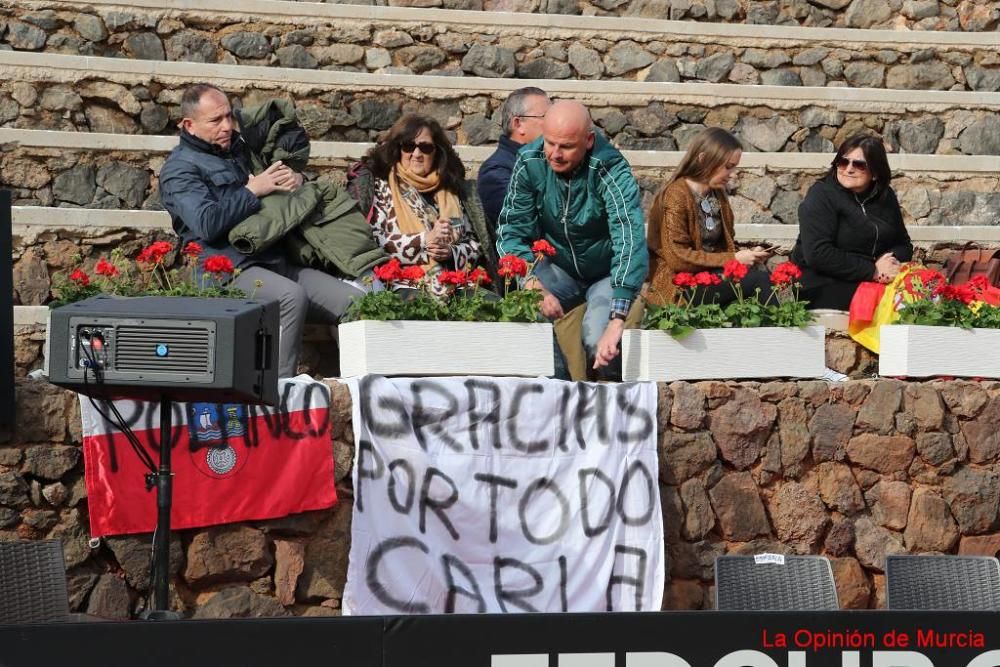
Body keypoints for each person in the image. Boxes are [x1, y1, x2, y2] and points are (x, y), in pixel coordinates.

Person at [159, 83, 365, 378]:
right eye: (215, 120)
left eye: (229, 117)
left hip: (276, 261)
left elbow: (282, 162)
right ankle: (279, 396)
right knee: (290, 297)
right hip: (228, 271)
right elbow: (206, 222)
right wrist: (252, 190)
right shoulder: (179, 169)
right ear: (189, 125)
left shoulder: (240, 148)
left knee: (357, 304)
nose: (227, 126)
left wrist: (294, 176)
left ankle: (363, 394)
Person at [496, 100, 648, 375]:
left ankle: (609, 393)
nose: (554, 154)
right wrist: (530, 282)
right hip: (559, 268)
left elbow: (629, 237)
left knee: (597, 342)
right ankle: (559, 391)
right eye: (549, 143)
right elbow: (511, 230)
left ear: (588, 140)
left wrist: (617, 321)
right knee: (528, 314)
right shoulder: (529, 160)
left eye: (566, 147)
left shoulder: (610, 168)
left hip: (605, 274)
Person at [347, 114, 493, 295]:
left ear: (436, 151)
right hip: (401, 282)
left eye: (425, 147)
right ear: (398, 149)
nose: (416, 154)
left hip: (456, 281)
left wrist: (450, 252)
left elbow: (475, 244)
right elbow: (374, 242)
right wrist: (425, 240)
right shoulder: (380, 186)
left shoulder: (452, 190)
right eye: (408, 146)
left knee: (491, 305)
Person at [646, 127, 771, 306]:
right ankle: (794, 324)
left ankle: (794, 318)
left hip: (712, 277)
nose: (733, 174)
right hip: (680, 285)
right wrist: (734, 259)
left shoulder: (718, 195)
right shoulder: (675, 195)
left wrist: (749, 254)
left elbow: (719, 248)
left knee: (776, 282)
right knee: (760, 281)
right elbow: (677, 258)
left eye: (734, 167)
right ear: (703, 159)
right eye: (728, 167)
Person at [791, 133, 913, 310]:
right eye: (843, 162)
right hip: (821, 282)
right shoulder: (822, 195)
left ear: (875, 173)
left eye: (859, 165)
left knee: (926, 292)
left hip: (873, 278)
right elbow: (818, 254)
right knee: (893, 303)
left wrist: (887, 264)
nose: (848, 169)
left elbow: (903, 244)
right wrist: (872, 270)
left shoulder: (885, 196)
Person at [477, 87, 551, 232]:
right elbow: (521, 220)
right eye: (547, 117)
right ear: (518, 124)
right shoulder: (495, 172)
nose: (554, 124)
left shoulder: (548, 161)